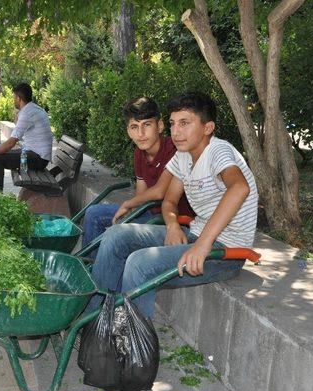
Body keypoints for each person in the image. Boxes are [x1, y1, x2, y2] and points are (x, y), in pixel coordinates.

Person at [91, 92, 259, 318]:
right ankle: (96, 320)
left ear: (207, 128)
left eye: (185, 123)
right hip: (195, 235)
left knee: (140, 263)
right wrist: (172, 225)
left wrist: (202, 246)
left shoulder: (218, 150)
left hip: (225, 253)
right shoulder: (183, 155)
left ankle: (133, 345)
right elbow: (168, 200)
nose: (176, 132)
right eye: (172, 124)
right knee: (115, 235)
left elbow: (239, 188)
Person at [81, 97, 195, 254]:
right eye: (134, 127)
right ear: (128, 131)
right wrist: (131, 211)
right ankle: (89, 263)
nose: (140, 133)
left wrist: (128, 204)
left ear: (160, 126)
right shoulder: (139, 154)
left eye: (146, 125)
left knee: (118, 231)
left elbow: (160, 191)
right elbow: (141, 194)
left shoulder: (174, 149)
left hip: (173, 221)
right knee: (94, 213)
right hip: (151, 213)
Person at [0, 83, 53, 192]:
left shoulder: (27, 113)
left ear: (19, 98)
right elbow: (16, 133)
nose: (13, 100)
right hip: (38, 155)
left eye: (14, 97)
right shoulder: (34, 109)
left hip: (38, 159)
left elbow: (10, 143)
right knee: (0, 154)